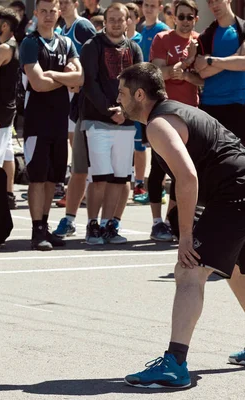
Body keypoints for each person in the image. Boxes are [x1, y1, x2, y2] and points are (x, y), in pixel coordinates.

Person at [119, 62, 245, 389]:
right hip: (239, 187)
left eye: (121, 93)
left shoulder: (158, 125)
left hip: (235, 193)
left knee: (189, 270)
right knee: (236, 270)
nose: (117, 99)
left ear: (139, 94)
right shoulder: (176, 111)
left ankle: (175, 364)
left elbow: (187, 177)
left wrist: (186, 236)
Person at [20, 0, 82, 251]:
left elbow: (79, 79)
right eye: (43, 11)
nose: (48, 16)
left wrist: (53, 75)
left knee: (51, 180)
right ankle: (36, 231)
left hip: (60, 121)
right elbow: (37, 83)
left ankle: (44, 226)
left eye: (52, 11)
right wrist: (64, 77)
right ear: (35, 13)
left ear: (59, 12)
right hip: (36, 122)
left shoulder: (66, 42)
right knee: (37, 179)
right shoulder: (30, 43)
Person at [80, 2, 143, 245]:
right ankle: (92, 225)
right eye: (112, 19)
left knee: (119, 177)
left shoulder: (134, 48)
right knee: (100, 177)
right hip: (98, 122)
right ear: (105, 21)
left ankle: (108, 225)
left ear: (128, 21)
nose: (117, 23)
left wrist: (126, 112)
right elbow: (90, 84)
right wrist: (110, 110)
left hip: (126, 123)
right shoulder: (92, 46)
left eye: (121, 19)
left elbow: (139, 83)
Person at [147, 0, 201, 241]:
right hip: (164, 112)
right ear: (173, 18)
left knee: (184, 171)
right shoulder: (162, 38)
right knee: (159, 169)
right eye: (181, 17)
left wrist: (187, 72)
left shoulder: (199, 41)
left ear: (196, 19)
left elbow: (202, 80)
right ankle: (157, 221)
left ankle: (175, 220)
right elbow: (156, 72)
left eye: (190, 17)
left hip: (191, 115)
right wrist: (180, 67)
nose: (186, 21)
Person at [51, 0, 95, 231]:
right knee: (78, 161)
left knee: (88, 164)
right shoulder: (62, 30)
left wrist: (79, 81)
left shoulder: (82, 26)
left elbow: (94, 60)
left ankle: (97, 220)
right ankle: (72, 216)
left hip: (86, 102)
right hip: (72, 102)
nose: (64, 6)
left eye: (67, 1)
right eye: (61, 3)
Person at [193, 0, 245, 143]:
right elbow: (202, 72)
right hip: (210, 106)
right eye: (210, 2)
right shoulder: (206, 35)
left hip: (238, 105)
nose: (214, 6)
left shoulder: (243, 29)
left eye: (217, 0)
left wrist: (211, 61)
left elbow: (244, 64)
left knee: (240, 159)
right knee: (212, 161)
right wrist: (235, 58)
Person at [133, 0, 170, 198]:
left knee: (158, 143)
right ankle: (153, 187)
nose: (148, 9)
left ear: (160, 9)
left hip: (156, 95)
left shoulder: (162, 30)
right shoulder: (141, 30)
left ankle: (159, 188)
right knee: (146, 142)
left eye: (153, 5)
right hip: (141, 94)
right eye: (146, 5)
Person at [0, 7, 21, 207]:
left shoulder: (3, 49)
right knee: (7, 154)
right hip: (8, 109)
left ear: (4, 26)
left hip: (0, 109)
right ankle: (8, 195)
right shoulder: (14, 45)